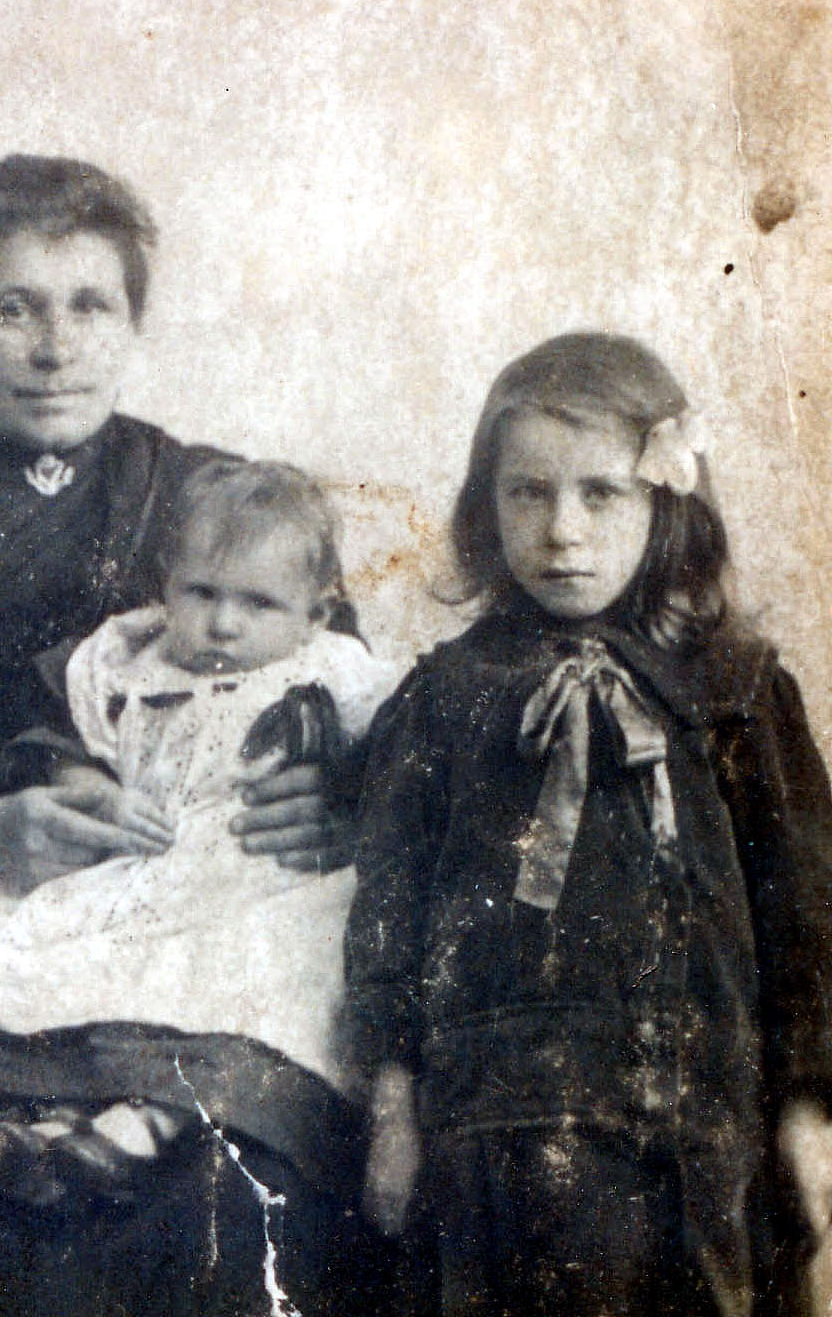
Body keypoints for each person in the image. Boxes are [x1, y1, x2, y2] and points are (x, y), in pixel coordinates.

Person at [347, 332, 832, 1315]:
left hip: (691, 1130)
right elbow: (388, 912)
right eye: (528, 492)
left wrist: (808, 1112)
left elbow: (806, 915)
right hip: (490, 1138)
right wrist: (392, 1107)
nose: (562, 530)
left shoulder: (734, 691)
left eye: (600, 493)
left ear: (665, 503)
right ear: (487, 504)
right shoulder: (445, 697)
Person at [0, 460, 401, 1314]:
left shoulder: (334, 674)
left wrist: (349, 790)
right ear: (166, 585)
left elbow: (402, 753)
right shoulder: (126, 661)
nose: (222, 622)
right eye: (201, 592)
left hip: (257, 885)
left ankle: (150, 1117)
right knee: (20, 952)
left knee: (260, 987)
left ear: (316, 613)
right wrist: (83, 781)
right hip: (140, 872)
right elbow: (57, 739)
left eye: (258, 603)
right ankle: (65, 1117)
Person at [0, 153, 329, 899]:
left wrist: (335, 790)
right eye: (11, 310)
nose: (54, 351)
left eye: (90, 307)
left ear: (133, 320)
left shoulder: (228, 504)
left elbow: (340, 692)